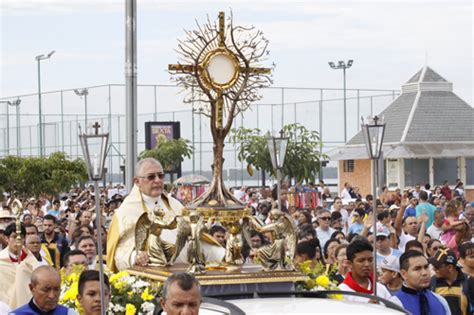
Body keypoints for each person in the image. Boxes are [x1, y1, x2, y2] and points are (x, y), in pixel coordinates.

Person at [107, 158, 224, 271]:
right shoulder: (125, 211)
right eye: (151, 177)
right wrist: (135, 256)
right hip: (152, 272)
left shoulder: (174, 204)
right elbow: (118, 252)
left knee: (222, 253)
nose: (157, 180)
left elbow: (193, 238)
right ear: (137, 181)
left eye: (161, 176)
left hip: (185, 269)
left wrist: (221, 253)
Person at [389, 250, 451, 315]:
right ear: (404, 274)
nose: (424, 273)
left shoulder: (440, 301)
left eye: (426, 267)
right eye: (417, 269)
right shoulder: (395, 305)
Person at [0, 223, 40, 309]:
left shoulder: (31, 259)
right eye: (14, 237)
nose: (18, 240)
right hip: (5, 305)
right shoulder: (1, 260)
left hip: (28, 305)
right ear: (7, 238)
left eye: (21, 237)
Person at [10, 265, 78, 314]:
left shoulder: (69, 313)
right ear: (32, 288)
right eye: (46, 290)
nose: (52, 296)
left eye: (56, 289)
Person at [429, 248, 474, 315]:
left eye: (437, 267)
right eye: (433, 266)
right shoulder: (432, 282)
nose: (433, 269)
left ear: (450, 267)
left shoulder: (469, 281)